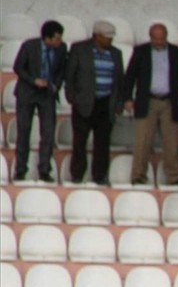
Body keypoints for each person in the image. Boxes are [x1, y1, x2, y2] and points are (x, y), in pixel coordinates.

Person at [121, 23, 178, 187]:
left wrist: (173, 91)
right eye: (155, 38)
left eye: (162, 38)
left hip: (169, 101)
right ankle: (138, 175)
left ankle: (174, 177)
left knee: (172, 142)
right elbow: (130, 76)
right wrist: (127, 98)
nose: (159, 42)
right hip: (147, 100)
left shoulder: (177, 52)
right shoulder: (141, 51)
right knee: (142, 140)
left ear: (166, 36)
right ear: (150, 37)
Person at [64, 20, 124, 186]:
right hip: (84, 103)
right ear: (97, 36)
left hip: (106, 104)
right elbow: (70, 75)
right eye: (107, 37)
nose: (110, 40)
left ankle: (100, 175)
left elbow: (119, 80)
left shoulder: (116, 53)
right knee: (80, 141)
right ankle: (77, 174)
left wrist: (118, 104)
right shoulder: (79, 49)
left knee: (102, 143)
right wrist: (72, 97)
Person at [11, 19, 66, 182]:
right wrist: (33, 80)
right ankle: (20, 169)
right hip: (27, 92)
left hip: (47, 93)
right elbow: (18, 67)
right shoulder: (29, 46)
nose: (59, 41)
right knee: (24, 131)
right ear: (47, 38)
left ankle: (44, 170)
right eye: (56, 38)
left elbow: (62, 68)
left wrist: (56, 84)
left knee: (48, 133)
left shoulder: (62, 49)